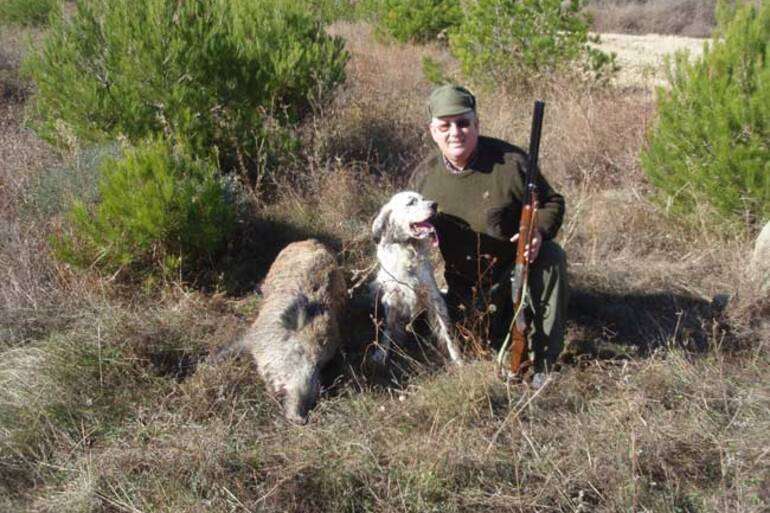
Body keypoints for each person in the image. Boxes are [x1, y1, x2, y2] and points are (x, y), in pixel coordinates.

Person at [408, 84, 568, 381]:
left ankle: (545, 361)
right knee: (468, 345)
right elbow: (407, 225)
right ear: (433, 131)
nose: (455, 132)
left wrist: (538, 232)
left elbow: (552, 202)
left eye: (463, 123)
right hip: (463, 289)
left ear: (476, 124)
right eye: (445, 125)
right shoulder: (423, 177)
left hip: (512, 276)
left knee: (551, 256)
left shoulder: (511, 162)